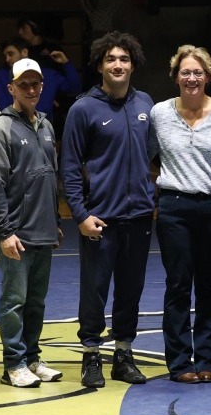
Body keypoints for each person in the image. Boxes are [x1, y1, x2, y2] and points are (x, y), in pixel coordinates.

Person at [62, 31, 160, 389]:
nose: (117, 65)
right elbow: (70, 167)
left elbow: (156, 155)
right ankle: (91, 354)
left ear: (133, 64)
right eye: (110, 59)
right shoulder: (83, 109)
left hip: (138, 218)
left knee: (131, 290)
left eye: (123, 59)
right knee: (94, 290)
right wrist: (81, 214)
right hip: (100, 219)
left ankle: (123, 353)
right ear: (100, 65)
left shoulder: (146, 104)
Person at [149, 45, 211, 383]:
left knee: (209, 285)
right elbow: (149, 157)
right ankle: (179, 362)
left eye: (197, 72)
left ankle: (206, 359)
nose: (191, 77)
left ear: (208, 76)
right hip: (174, 208)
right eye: (185, 72)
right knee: (178, 286)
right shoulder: (159, 114)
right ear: (176, 77)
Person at [0, 58, 63, 388]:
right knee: (14, 301)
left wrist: (55, 220)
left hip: (43, 230)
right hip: (16, 232)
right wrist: (4, 232)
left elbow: (51, 177)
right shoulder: (2, 129)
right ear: (11, 88)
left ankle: (32, 356)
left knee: (36, 301)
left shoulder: (46, 126)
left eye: (36, 84)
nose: (31, 90)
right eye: (24, 84)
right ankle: (13, 363)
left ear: (42, 87)